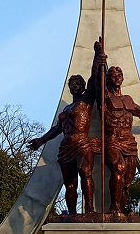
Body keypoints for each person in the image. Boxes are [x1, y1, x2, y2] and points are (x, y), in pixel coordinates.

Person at [28, 45, 107, 214]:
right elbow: (56, 129)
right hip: (65, 146)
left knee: (86, 175)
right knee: (69, 184)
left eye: (78, 83)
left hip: (82, 143)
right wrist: (41, 140)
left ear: (83, 87)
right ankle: (72, 214)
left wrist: (97, 55)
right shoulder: (66, 110)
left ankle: (90, 210)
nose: (75, 86)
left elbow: (94, 79)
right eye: (72, 84)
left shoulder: (85, 101)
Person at [100, 63, 140, 214]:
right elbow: (96, 82)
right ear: (108, 79)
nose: (116, 78)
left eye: (119, 76)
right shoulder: (105, 97)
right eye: (113, 76)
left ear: (122, 79)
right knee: (119, 168)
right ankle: (114, 207)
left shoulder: (128, 99)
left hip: (129, 142)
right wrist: (99, 60)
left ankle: (120, 210)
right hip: (113, 140)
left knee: (127, 182)